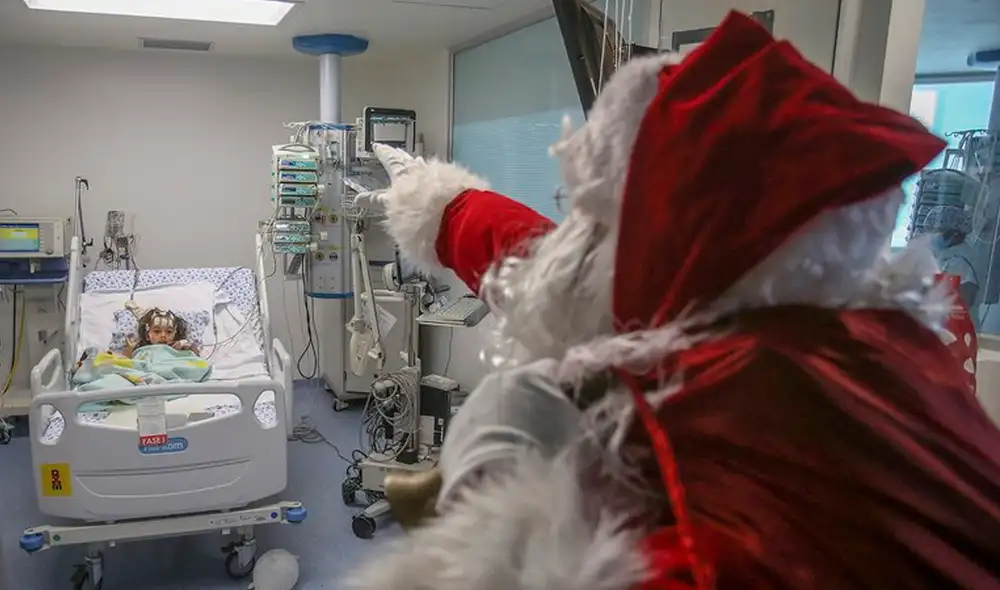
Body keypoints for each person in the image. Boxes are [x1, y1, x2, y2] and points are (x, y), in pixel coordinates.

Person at [351, 11, 1000, 590]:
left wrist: (489, 499)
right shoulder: (878, 339)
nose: (572, 225)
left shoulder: (716, 535)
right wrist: (438, 204)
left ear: (666, 235)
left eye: (590, 209)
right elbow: (559, 265)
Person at [123, 308, 200, 358]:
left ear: (175, 334)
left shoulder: (177, 349)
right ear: (147, 335)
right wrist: (129, 349)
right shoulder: (142, 351)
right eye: (157, 331)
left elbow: (196, 359)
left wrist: (187, 346)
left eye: (169, 332)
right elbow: (127, 364)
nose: (163, 335)